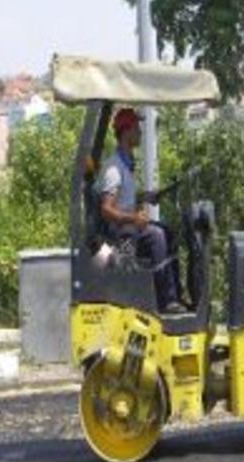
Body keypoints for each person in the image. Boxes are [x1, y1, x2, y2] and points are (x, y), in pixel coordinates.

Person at [95, 108, 186, 314]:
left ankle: (176, 294)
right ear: (126, 132)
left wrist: (146, 197)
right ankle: (166, 301)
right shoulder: (114, 169)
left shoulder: (125, 166)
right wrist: (134, 218)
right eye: (137, 127)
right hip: (121, 232)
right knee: (157, 236)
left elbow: (124, 201)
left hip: (129, 226)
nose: (140, 132)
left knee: (168, 232)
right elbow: (107, 210)